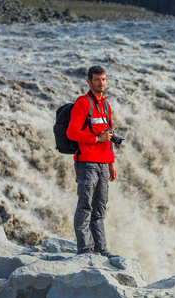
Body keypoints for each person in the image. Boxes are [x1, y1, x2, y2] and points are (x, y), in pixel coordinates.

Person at [66, 65, 119, 258]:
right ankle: (85, 250)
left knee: (100, 209)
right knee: (85, 206)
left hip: (104, 164)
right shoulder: (83, 103)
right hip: (87, 162)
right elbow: (71, 132)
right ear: (89, 82)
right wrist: (97, 139)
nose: (101, 83)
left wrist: (111, 163)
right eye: (97, 79)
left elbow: (109, 136)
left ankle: (101, 249)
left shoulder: (106, 105)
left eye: (104, 79)